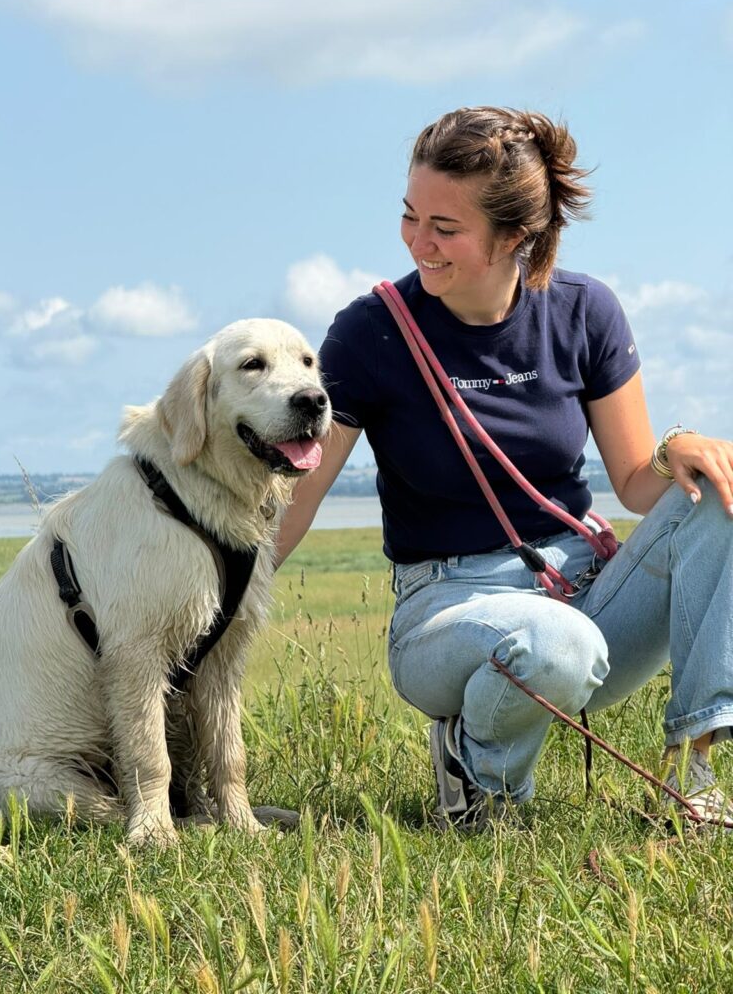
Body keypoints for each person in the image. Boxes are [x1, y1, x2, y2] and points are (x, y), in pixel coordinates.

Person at [276, 106, 733, 829]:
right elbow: (292, 504)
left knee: (721, 496)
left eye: (445, 228)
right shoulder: (372, 332)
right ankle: (480, 780)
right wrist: (201, 621)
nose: (418, 243)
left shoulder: (586, 311)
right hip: (445, 612)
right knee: (558, 641)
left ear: (515, 235)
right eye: (410, 216)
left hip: (585, 592)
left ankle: (693, 772)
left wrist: (677, 452)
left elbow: (639, 488)